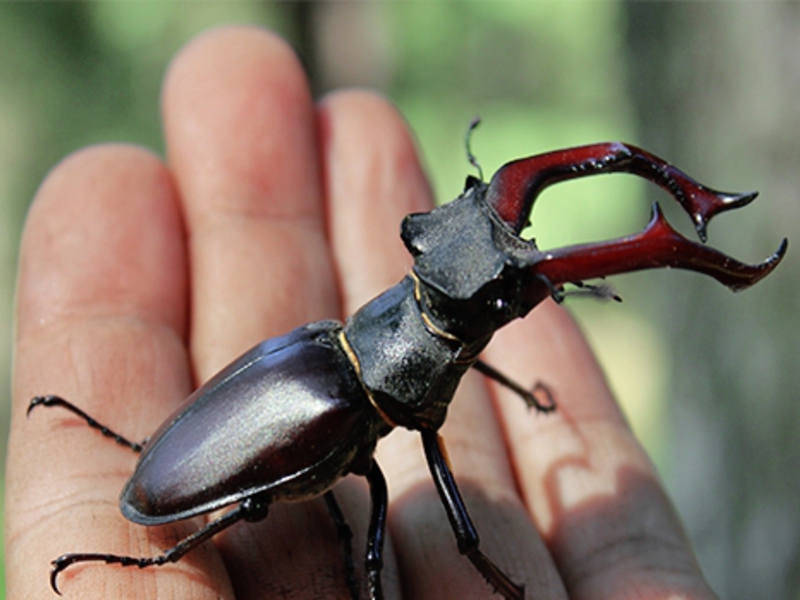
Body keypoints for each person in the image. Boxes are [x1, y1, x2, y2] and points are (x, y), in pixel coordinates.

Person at [5, 26, 718, 599]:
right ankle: (159, 563)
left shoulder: (340, 342)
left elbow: (455, 354)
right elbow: (466, 539)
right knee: (259, 507)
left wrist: (514, 379)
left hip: (265, 411)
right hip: (182, 483)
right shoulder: (343, 399)